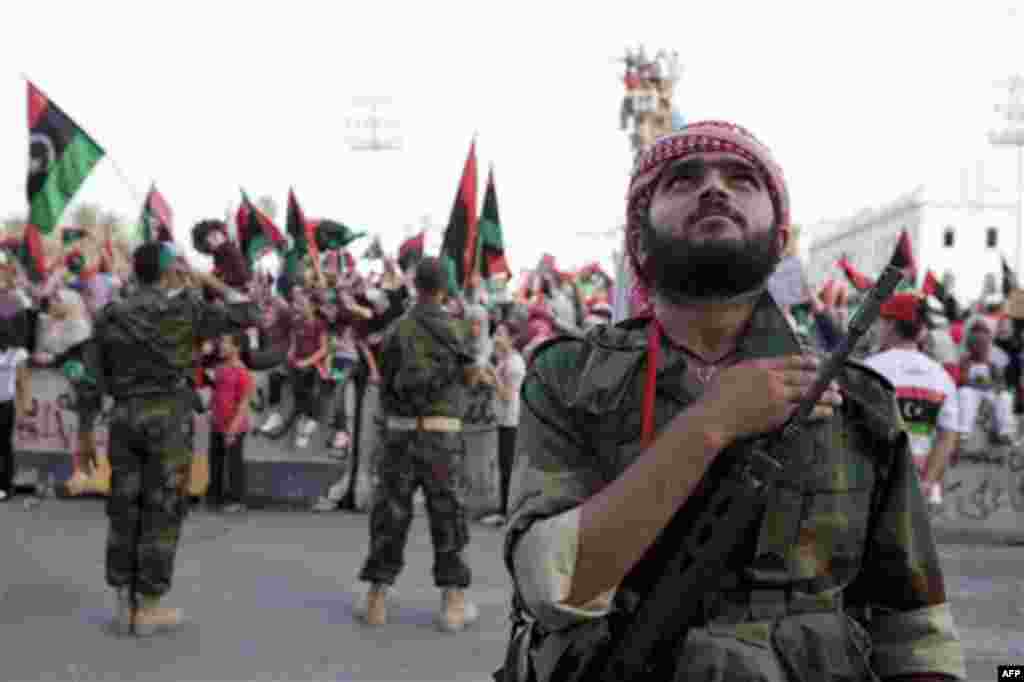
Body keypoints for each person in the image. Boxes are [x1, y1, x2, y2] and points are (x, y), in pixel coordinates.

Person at [500, 121, 965, 681]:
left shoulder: (856, 402)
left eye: (743, 179)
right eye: (683, 180)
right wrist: (710, 425)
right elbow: (553, 585)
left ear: (779, 238)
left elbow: (914, 630)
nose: (714, 188)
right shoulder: (572, 379)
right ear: (639, 237)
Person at [74, 241, 259, 636]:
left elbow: (89, 381)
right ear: (167, 271)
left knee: (125, 506)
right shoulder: (187, 308)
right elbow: (248, 312)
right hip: (170, 419)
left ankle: (124, 602)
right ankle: (150, 606)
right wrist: (202, 277)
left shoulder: (111, 314)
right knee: (163, 509)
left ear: (135, 272)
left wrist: (85, 435)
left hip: (125, 416)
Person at [355, 256, 480, 632]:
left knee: (390, 515)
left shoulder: (395, 330)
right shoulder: (458, 329)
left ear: (416, 286)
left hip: (401, 432)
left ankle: (377, 598)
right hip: (441, 434)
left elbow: (386, 382)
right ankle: (453, 602)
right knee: (447, 515)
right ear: (444, 288)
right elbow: (471, 376)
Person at [863, 293, 965, 510]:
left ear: (890, 325)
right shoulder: (941, 377)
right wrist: (928, 482)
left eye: (882, 322)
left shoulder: (869, 369)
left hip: (871, 478)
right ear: (920, 330)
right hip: (915, 480)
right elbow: (948, 437)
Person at [479, 325, 526, 527]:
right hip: (504, 420)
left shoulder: (514, 363)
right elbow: (498, 387)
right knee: (504, 467)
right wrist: (486, 376)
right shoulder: (505, 361)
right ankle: (504, 511)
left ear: (511, 339)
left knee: (507, 468)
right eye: (495, 334)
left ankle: (507, 513)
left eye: (500, 334)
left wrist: (492, 373)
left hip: (511, 421)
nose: (495, 338)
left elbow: (507, 395)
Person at [208, 331, 255, 513]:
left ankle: (237, 500)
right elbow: (216, 395)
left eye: (226, 343)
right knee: (216, 462)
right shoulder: (220, 368)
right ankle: (215, 497)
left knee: (234, 464)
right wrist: (212, 413)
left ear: (237, 348)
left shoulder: (242, 372)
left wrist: (233, 429)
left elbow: (243, 405)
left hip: (234, 426)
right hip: (217, 423)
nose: (221, 346)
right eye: (221, 342)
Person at [0, 323, 30, 501]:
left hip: (5, 405)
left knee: (4, 446)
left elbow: (23, 383)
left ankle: (5, 486)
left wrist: (24, 407)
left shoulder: (18, 354)